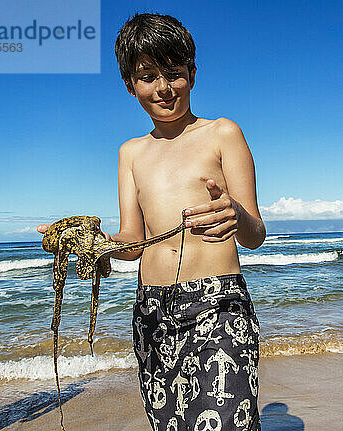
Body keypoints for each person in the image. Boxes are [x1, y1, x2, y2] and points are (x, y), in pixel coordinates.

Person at [37, 12, 265, 431]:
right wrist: (95, 242)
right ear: (130, 84)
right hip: (151, 310)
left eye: (174, 73)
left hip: (219, 305)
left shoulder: (223, 133)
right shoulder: (131, 153)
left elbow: (256, 234)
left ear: (192, 74)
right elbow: (132, 242)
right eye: (147, 76)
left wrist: (236, 214)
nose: (163, 88)